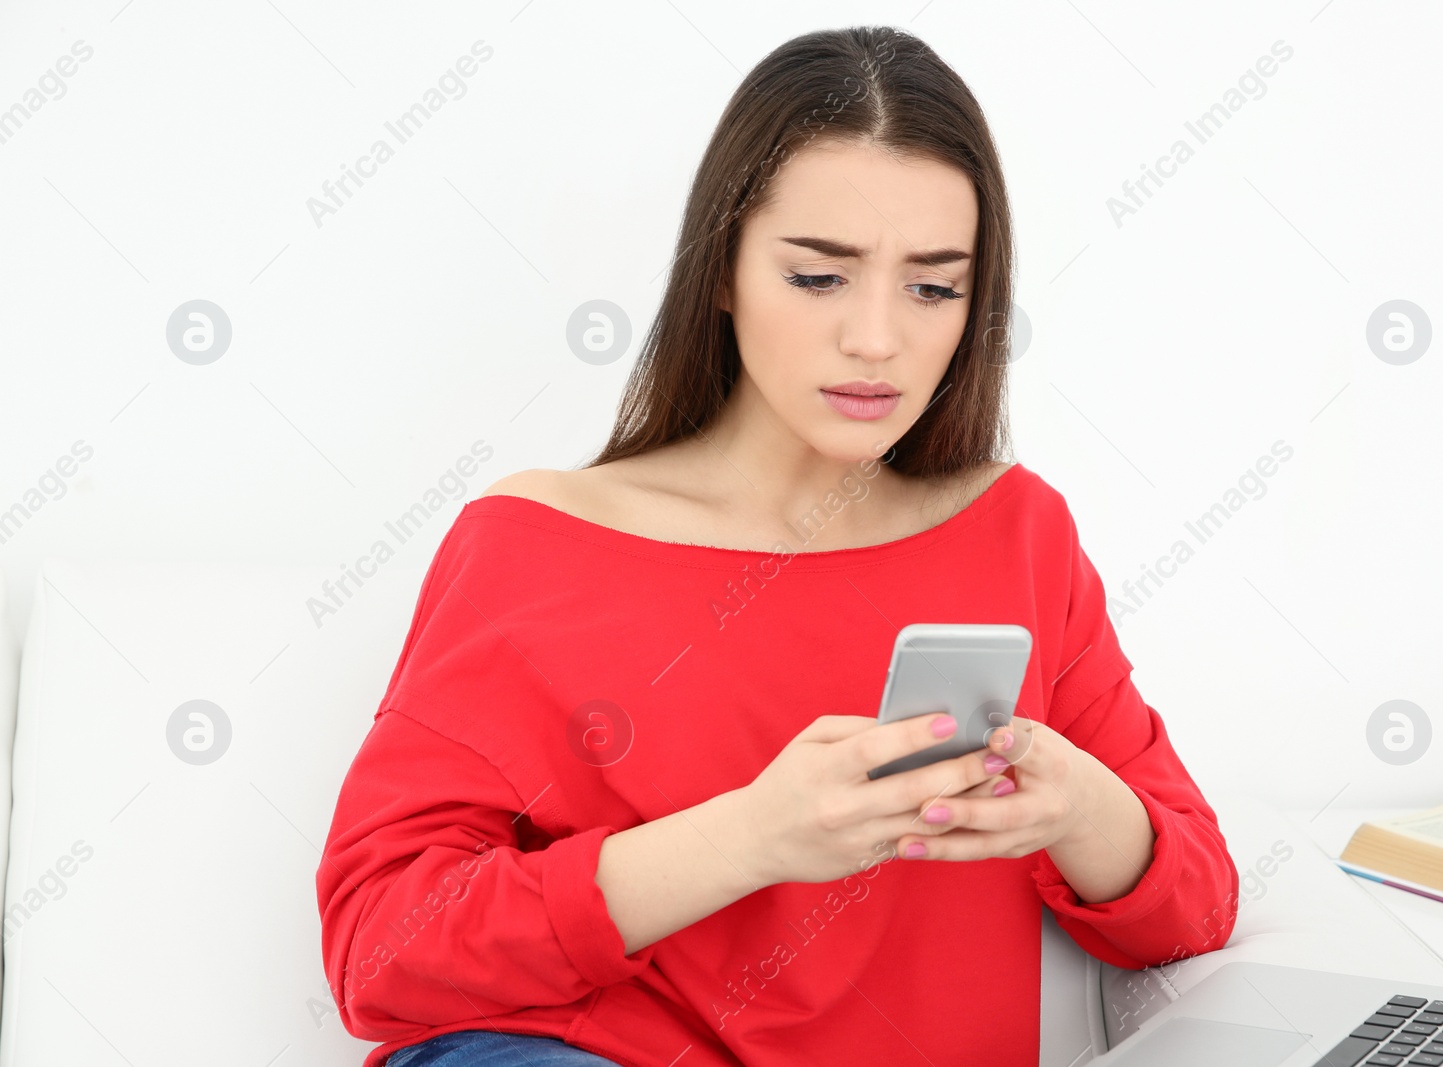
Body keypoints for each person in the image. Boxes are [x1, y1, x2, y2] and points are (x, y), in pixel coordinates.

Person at [316, 24, 1238, 1067]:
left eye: (933, 287)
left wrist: (1077, 805)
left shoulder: (1017, 532)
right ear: (721, 269)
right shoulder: (539, 540)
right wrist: (754, 836)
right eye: (818, 277)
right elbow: (379, 949)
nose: (878, 339)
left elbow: (1192, 907)